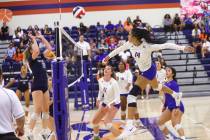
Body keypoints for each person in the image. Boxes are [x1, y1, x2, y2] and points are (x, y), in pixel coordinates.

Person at [103, 28, 194, 139]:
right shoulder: (129, 44)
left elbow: (166, 45)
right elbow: (119, 49)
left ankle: (130, 125)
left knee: (131, 95)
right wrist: (108, 57)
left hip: (149, 70)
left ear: (136, 37)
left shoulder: (148, 46)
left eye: (130, 34)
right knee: (156, 87)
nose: (128, 36)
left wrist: (183, 48)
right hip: (144, 70)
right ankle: (175, 94)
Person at [24, 33, 55, 140]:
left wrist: (42, 38)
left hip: (44, 84)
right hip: (37, 84)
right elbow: (36, 50)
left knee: (46, 110)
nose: (35, 47)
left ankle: (44, 131)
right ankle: (29, 132)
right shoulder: (30, 58)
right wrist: (33, 39)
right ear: (31, 49)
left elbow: (50, 49)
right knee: (37, 110)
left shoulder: (41, 56)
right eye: (33, 46)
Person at [92, 65, 121, 140]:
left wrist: (110, 105)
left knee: (107, 123)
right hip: (106, 102)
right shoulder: (100, 80)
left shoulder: (114, 82)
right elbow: (101, 91)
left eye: (108, 69)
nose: (106, 70)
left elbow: (117, 98)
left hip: (115, 103)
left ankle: (120, 137)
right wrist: (98, 99)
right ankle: (96, 137)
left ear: (111, 72)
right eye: (105, 68)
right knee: (95, 121)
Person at [157, 67, 185, 140]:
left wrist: (177, 107)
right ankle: (169, 138)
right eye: (166, 71)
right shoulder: (165, 83)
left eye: (169, 71)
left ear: (172, 74)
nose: (166, 72)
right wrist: (164, 105)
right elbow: (166, 97)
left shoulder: (174, 84)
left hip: (177, 106)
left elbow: (178, 96)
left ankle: (183, 138)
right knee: (160, 122)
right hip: (170, 107)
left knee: (175, 124)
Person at [0, 68, 25, 140]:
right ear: (1, 77)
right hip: (7, 135)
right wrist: (20, 128)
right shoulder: (10, 93)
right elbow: (20, 117)